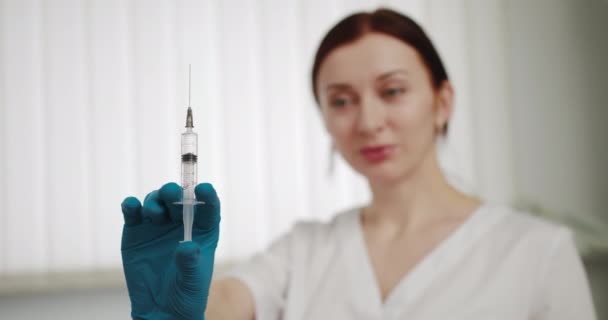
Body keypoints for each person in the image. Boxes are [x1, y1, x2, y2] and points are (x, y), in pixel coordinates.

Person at [120, 8, 597, 320]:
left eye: (392, 91)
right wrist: (182, 307)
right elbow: (228, 301)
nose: (368, 121)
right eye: (342, 100)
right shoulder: (304, 251)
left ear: (443, 100)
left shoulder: (538, 253)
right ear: (324, 117)